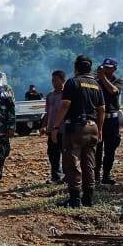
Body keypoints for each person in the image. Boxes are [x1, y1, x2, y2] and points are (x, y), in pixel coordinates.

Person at [50, 56, 105, 207]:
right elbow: (101, 110)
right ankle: (88, 198)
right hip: (93, 126)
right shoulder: (96, 85)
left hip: (76, 127)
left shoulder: (73, 82)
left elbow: (65, 106)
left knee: (72, 162)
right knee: (89, 162)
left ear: (76, 68)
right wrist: (99, 129)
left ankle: (75, 199)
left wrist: (55, 127)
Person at [93, 58, 123, 185]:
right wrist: (99, 78)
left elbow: (113, 90)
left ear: (114, 69)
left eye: (108, 68)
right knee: (97, 150)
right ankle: (96, 176)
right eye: (104, 67)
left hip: (112, 119)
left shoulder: (118, 81)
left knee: (110, 150)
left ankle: (106, 175)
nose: (105, 70)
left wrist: (103, 78)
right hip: (99, 119)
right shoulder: (96, 81)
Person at [41, 70, 66, 183]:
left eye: (55, 80)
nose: (53, 82)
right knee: (52, 154)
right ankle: (55, 176)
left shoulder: (67, 94)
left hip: (64, 130)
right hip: (52, 130)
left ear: (62, 80)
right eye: (52, 80)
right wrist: (44, 126)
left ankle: (67, 176)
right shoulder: (50, 95)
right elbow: (47, 113)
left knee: (66, 153)